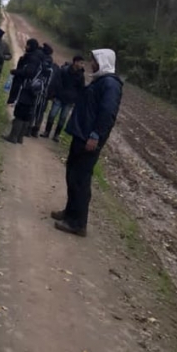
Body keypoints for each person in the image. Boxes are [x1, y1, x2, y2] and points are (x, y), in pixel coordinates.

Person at [52, 49, 123, 237]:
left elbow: (107, 113)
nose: (92, 63)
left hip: (89, 139)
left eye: (95, 60)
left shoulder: (110, 84)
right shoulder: (100, 80)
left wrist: (95, 135)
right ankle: (70, 212)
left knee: (80, 179)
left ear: (103, 62)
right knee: (72, 174)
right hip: (81, 135)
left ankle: (77, 223)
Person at [3, 38, 44, 143]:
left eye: (27, 45)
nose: (26, 47)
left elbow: (28, 72)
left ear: (31, 46)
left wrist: (16, 72)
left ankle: (13, 137)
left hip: (25, 89)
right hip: (33, 90)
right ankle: (20, 138)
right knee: (26, 115)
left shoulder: (33, 58)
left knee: (19, 113)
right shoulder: (40, 58)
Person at [41, 56, 85, 142]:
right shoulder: (64, 70)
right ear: (75, 62)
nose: (82, 65)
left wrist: (76, 100)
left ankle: (57, 135)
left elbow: (81, 89)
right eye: (81, 63)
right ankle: (47, 131)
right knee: (52, 114)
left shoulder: (81, 76)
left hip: (69, 100)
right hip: (59, 96)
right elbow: (55, 82)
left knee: (63, 118)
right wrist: (52, 95)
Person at [30, 43, 55, 137]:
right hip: (45, 92)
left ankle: (29, 128)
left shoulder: (43, 62)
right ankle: (35, 129)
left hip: (39, 89)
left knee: (34, 108)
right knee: (40, 111)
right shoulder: (51, 65)